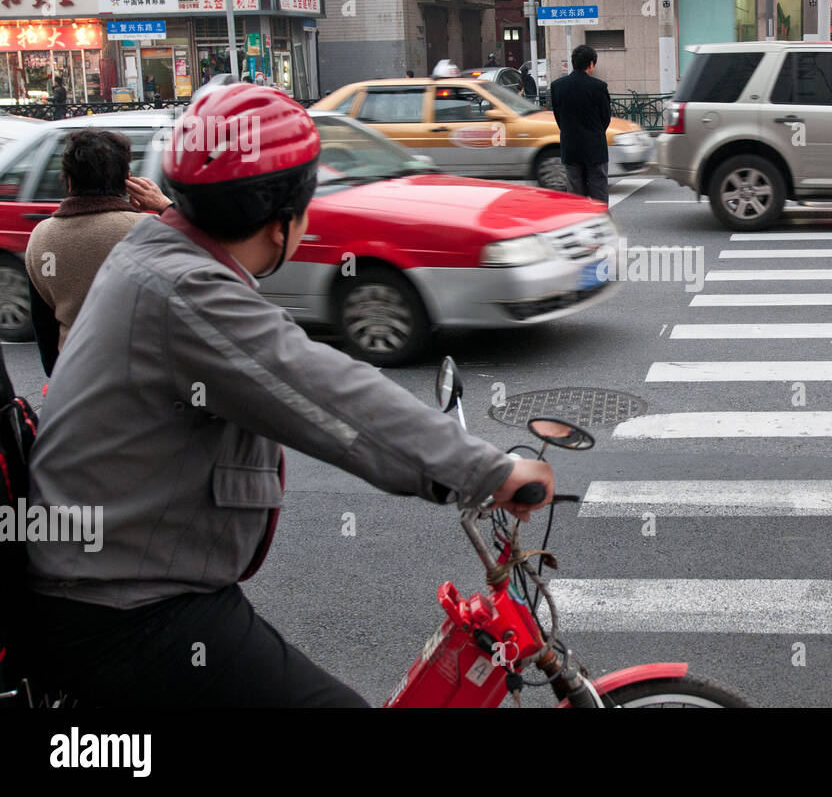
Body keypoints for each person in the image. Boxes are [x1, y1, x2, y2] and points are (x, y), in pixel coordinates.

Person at [24, 82, 555, 707]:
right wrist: (488, 470)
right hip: (129, 611)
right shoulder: (187, 292)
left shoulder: (159, 253)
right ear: (282, 217)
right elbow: (324, 390)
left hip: (119, 582)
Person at [24, 130, 171, 376]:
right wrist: (165, 207)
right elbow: (209, 257)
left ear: (69, 181)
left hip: (74, 379)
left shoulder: (41, 237)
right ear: (127, 179)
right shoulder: (150, 232)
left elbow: (45, 328)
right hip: (143, 378)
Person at [548, 44, 611, 203]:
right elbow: (606, 118)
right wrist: (595, 132)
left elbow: (558, 117)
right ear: (591, 64)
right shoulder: (599, 87)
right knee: (599, 196)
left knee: (575, 196)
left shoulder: (557, 86)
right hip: (595, 148)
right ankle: (598, 225)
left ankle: (579, 225)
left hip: (571, 147)